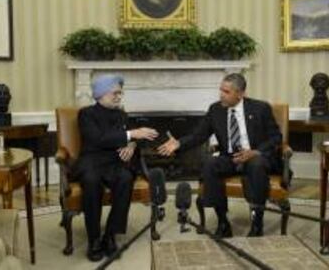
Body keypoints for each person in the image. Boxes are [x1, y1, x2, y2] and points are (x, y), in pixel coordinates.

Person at [158, 73, 282, 238]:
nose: (221, 95)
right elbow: (198, 135)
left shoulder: (260, 108)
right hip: (230, 157)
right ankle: (223, 221)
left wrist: (255, 152)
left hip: (254, 156)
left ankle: (257, 222)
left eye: (226, 91)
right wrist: (179, 143)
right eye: (220, 90)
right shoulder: (215, 109)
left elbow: (276, 137)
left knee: (256, 163)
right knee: (210, 164)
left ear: (240, 93)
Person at [76, 74, 159, 261]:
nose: (119, 96)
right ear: (101, 94)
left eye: (120, 93)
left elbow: (133, 139)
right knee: (91, 181)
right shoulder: (86, 114)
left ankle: (110, 235)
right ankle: (94, 239)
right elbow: (98, 139)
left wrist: (132, 145)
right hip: (92, 160)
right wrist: (131, 134)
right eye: (115, 93)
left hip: (114, 161)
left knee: (125, 178)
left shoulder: (122, 114)